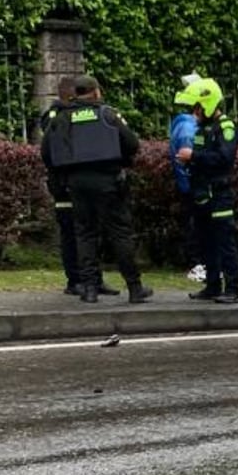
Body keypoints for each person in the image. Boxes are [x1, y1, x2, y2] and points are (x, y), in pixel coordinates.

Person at [39, 75, 152, 304]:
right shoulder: (107, 115)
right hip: (108, 181)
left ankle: (89, 289)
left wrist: (65, 175)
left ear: (76, 93)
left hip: (77, 183)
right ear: (96, 92)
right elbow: (132, 144)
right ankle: (134, 287)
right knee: (119, 233)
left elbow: (47, 152)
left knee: (85, 235)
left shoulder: (62, 118)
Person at [39, 76, 115, 297]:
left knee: (90, 232)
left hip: (79, 183)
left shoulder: (77, 116)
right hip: (64, 184)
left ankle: (94, 279)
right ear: (70, 95)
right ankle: (75, 280)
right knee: (71, 234)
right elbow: (51, 150)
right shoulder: (56, 116)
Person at [177, 78, 238, 304]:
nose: (195, 112)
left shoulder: (226, 128)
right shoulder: (202, 129)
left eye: (197, 107)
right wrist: (189, 161)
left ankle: (232, 289)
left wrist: (193, 156)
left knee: (225, 242)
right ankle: (213, 286)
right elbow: (203, 158)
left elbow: (224, 158)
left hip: (219, 194)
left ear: (209, 104)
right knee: (206, 241)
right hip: (201, 193)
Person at [169, 77, 203, 283]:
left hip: (191, 185)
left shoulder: (185, 126)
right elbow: (186, 159)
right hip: (192, 186)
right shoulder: (188, 129)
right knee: (195, 225)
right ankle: (197, 264)